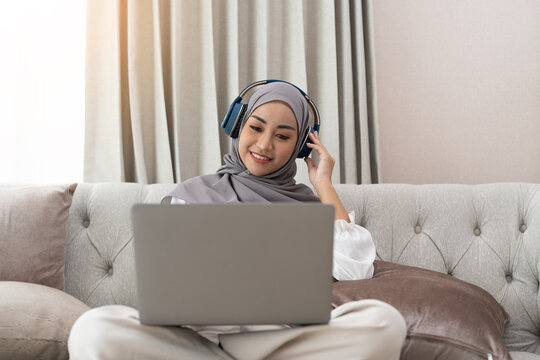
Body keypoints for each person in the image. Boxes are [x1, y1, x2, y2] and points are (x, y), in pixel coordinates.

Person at [68, 81, 406, 360]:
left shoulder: (309, 207)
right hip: (197, 343)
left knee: (384, 321)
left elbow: (356, 271)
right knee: (94, 328)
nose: (264, 144)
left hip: (280, 343)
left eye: (283, 136)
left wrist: (324, 185)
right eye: (256, 128)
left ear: (302, 146)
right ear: (237, 126)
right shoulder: (191, 193)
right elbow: (166, 287)